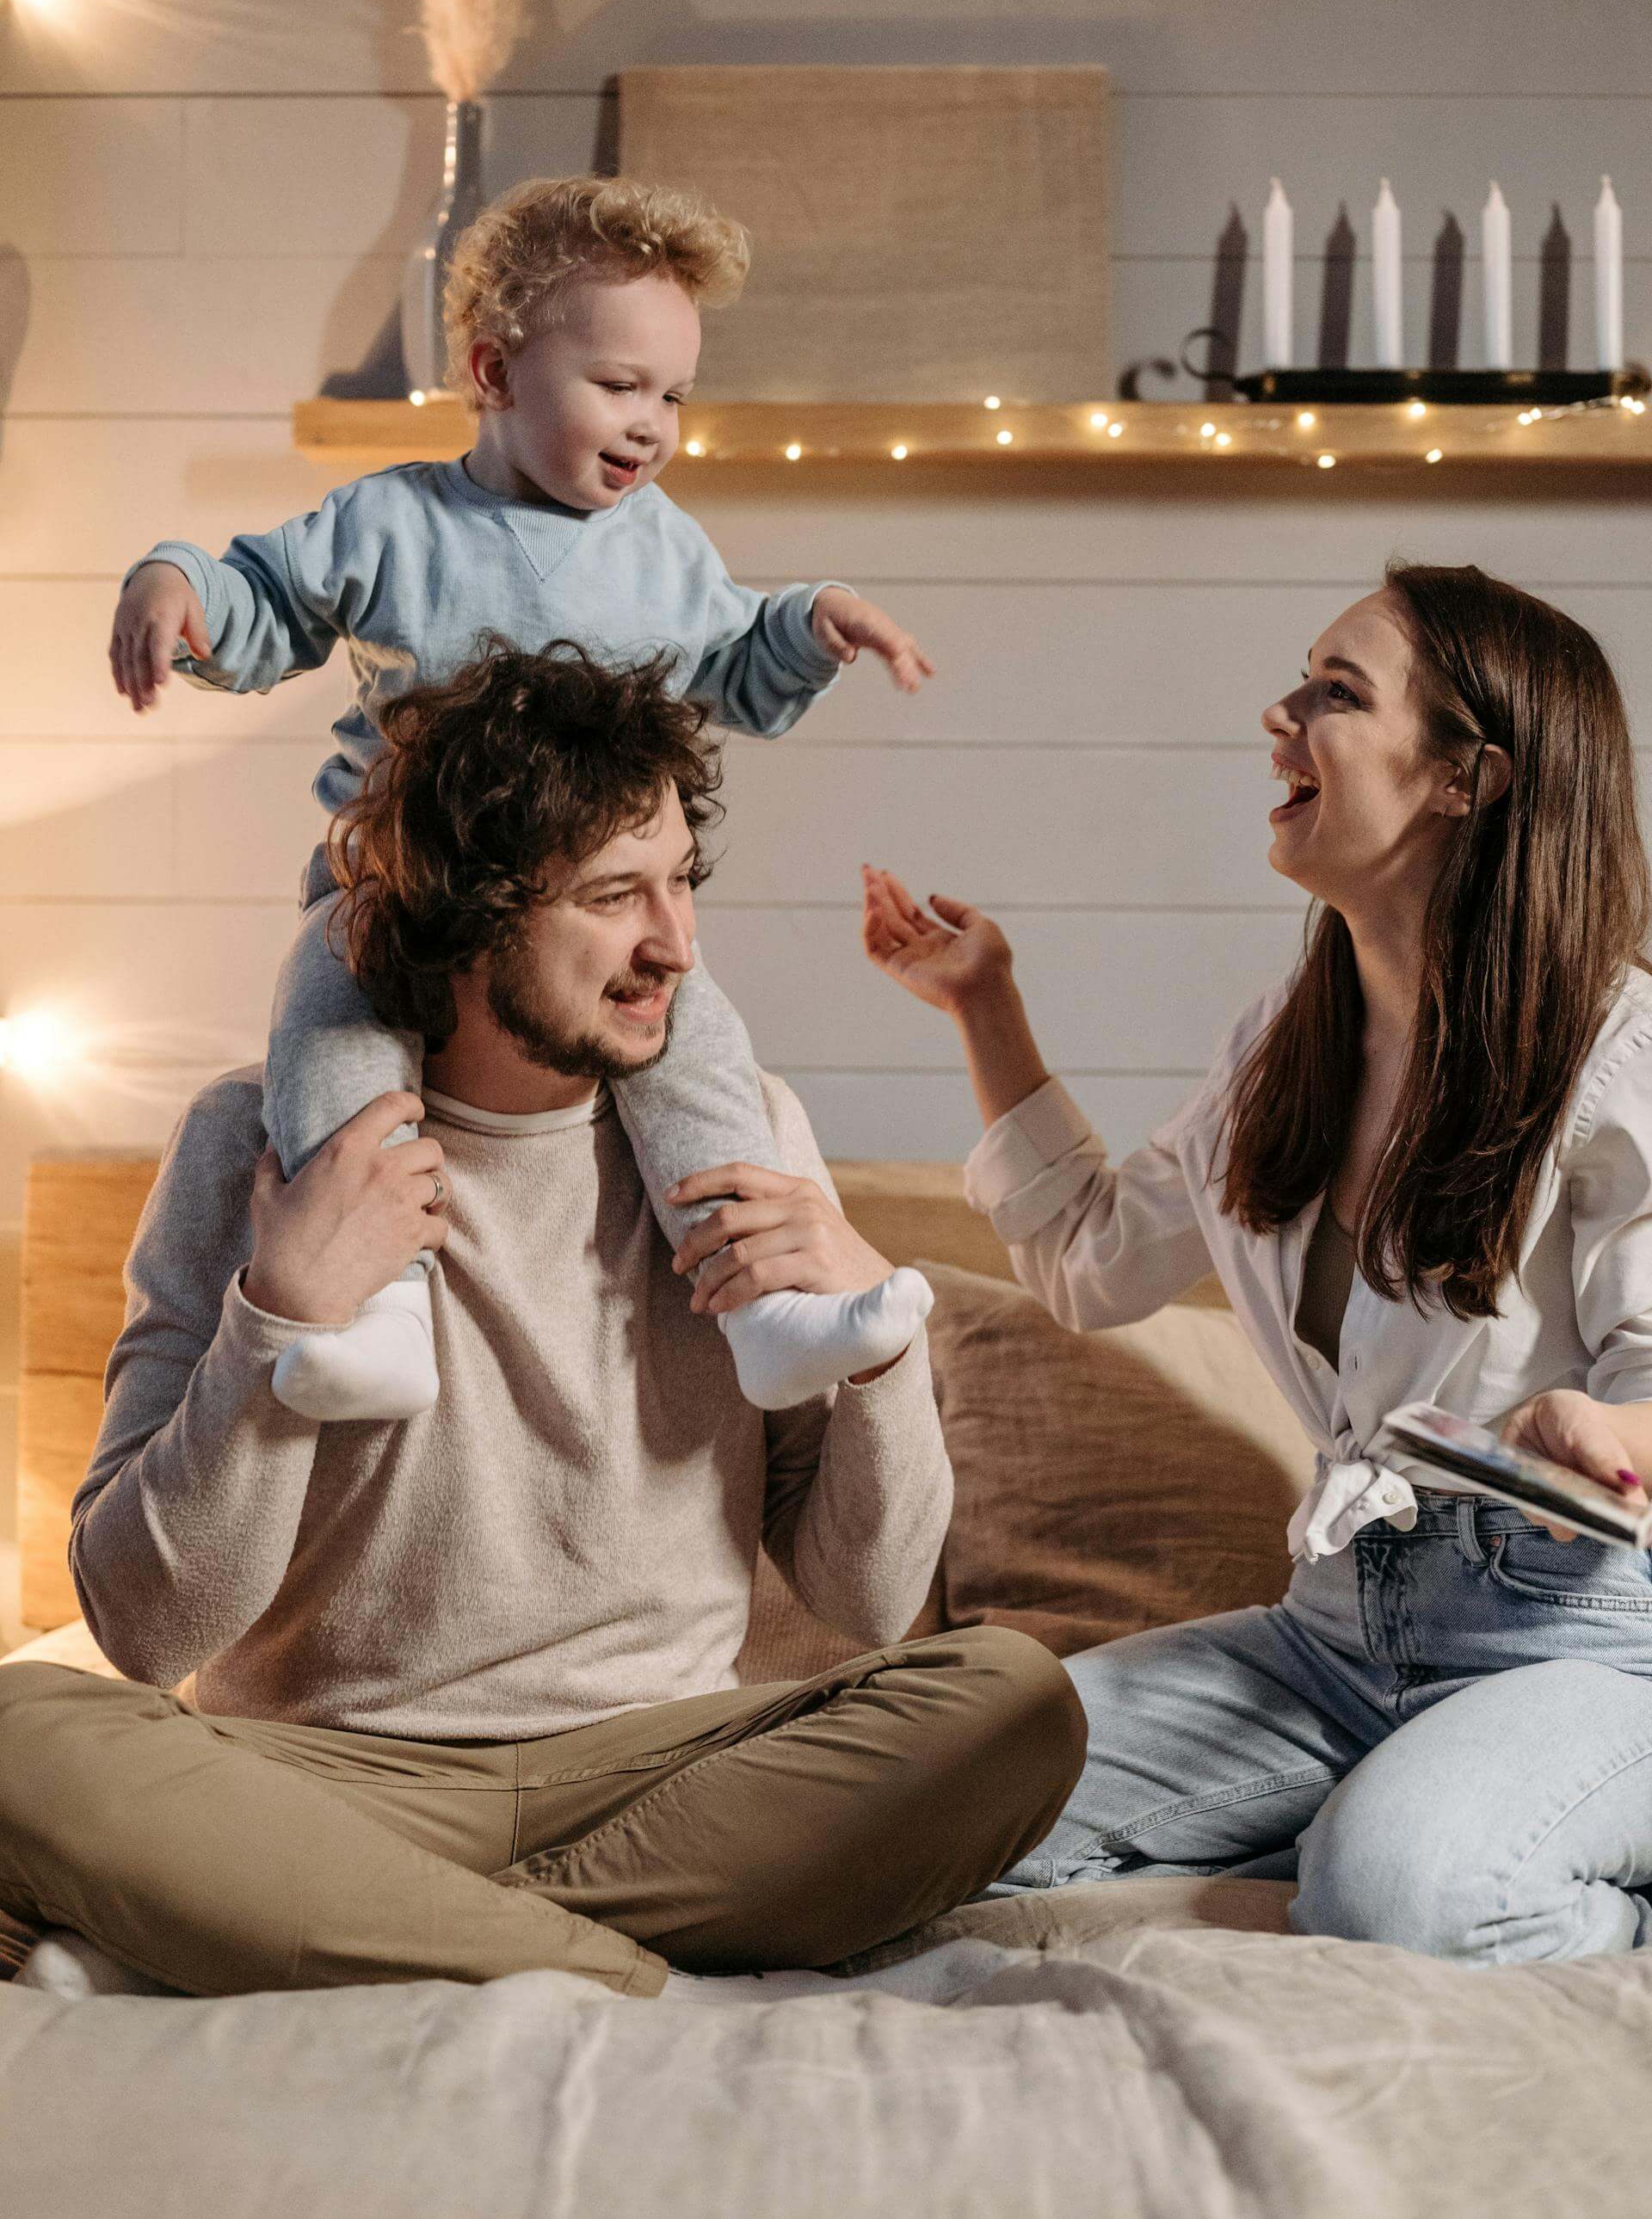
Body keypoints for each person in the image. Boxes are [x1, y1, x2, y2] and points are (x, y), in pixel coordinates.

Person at [0, 641, 1083, 2002]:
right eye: (615, 896)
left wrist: (878, 1346)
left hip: (675, 1766)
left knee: (1014, 1699)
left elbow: (866, 1608)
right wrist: (276, 1326)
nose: (676, 947)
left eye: (683, 883)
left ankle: (343, 1933)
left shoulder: (749, 1143)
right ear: (470, 921)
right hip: (331, 1776)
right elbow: (148, 1635)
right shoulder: (252, 1145)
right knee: (16, 1729)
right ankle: (603, 1972)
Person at [864, 559, 1652, 1966]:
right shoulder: (1282, 1045)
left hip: (1592, 1647)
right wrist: (986, 1006)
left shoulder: (1619, 1062)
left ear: (1466, 778)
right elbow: (1097, 1263)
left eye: (1336, 693)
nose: (1279, 715)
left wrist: (1597, 1428)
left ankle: (1488, 1841)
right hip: (1333, 1638)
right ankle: (1390, 1799)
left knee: (1397, 1897)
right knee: (922, 1804)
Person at [104, 174, 936, 1426]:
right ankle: (372, 1319)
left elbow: (735, 674)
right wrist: (177, 583)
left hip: (585, 923)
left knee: (702, 1058)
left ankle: (763, 1313)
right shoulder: (393, 522)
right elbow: (264, 601)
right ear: (495, 373)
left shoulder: (664, 548)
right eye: (619, 385)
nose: (652, 423)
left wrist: (811, 626)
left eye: (673, 395)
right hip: (395, 893)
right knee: (330, 1048)